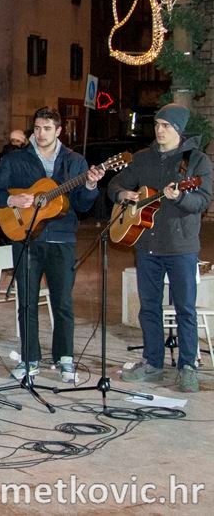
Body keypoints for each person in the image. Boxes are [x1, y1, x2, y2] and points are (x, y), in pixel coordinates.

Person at [0, 108, 103, 382]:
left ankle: (65, 359)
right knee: (26, 302)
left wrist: (90, 187)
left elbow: (83, 205)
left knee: (63, 303)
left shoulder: (74, 161)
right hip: (26, 237)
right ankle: (29, 359)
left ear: (59, 131)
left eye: (47, 128)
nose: (41, 134)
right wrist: (12, 200)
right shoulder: (15, 159)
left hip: (62, 238)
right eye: (37, 128)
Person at [109, 104, 212, 393]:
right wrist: (123, 193)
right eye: (157, 124)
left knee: (185, 309)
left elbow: (203, 200)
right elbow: (115, 184)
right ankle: (152, 362)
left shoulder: (196, 161)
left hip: (181, 246)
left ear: (179, 129)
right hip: (147, 245)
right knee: (149, 307)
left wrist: (180, 197)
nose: (159, 130)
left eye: (166, 125)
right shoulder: (143, 158)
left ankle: (187, 366)